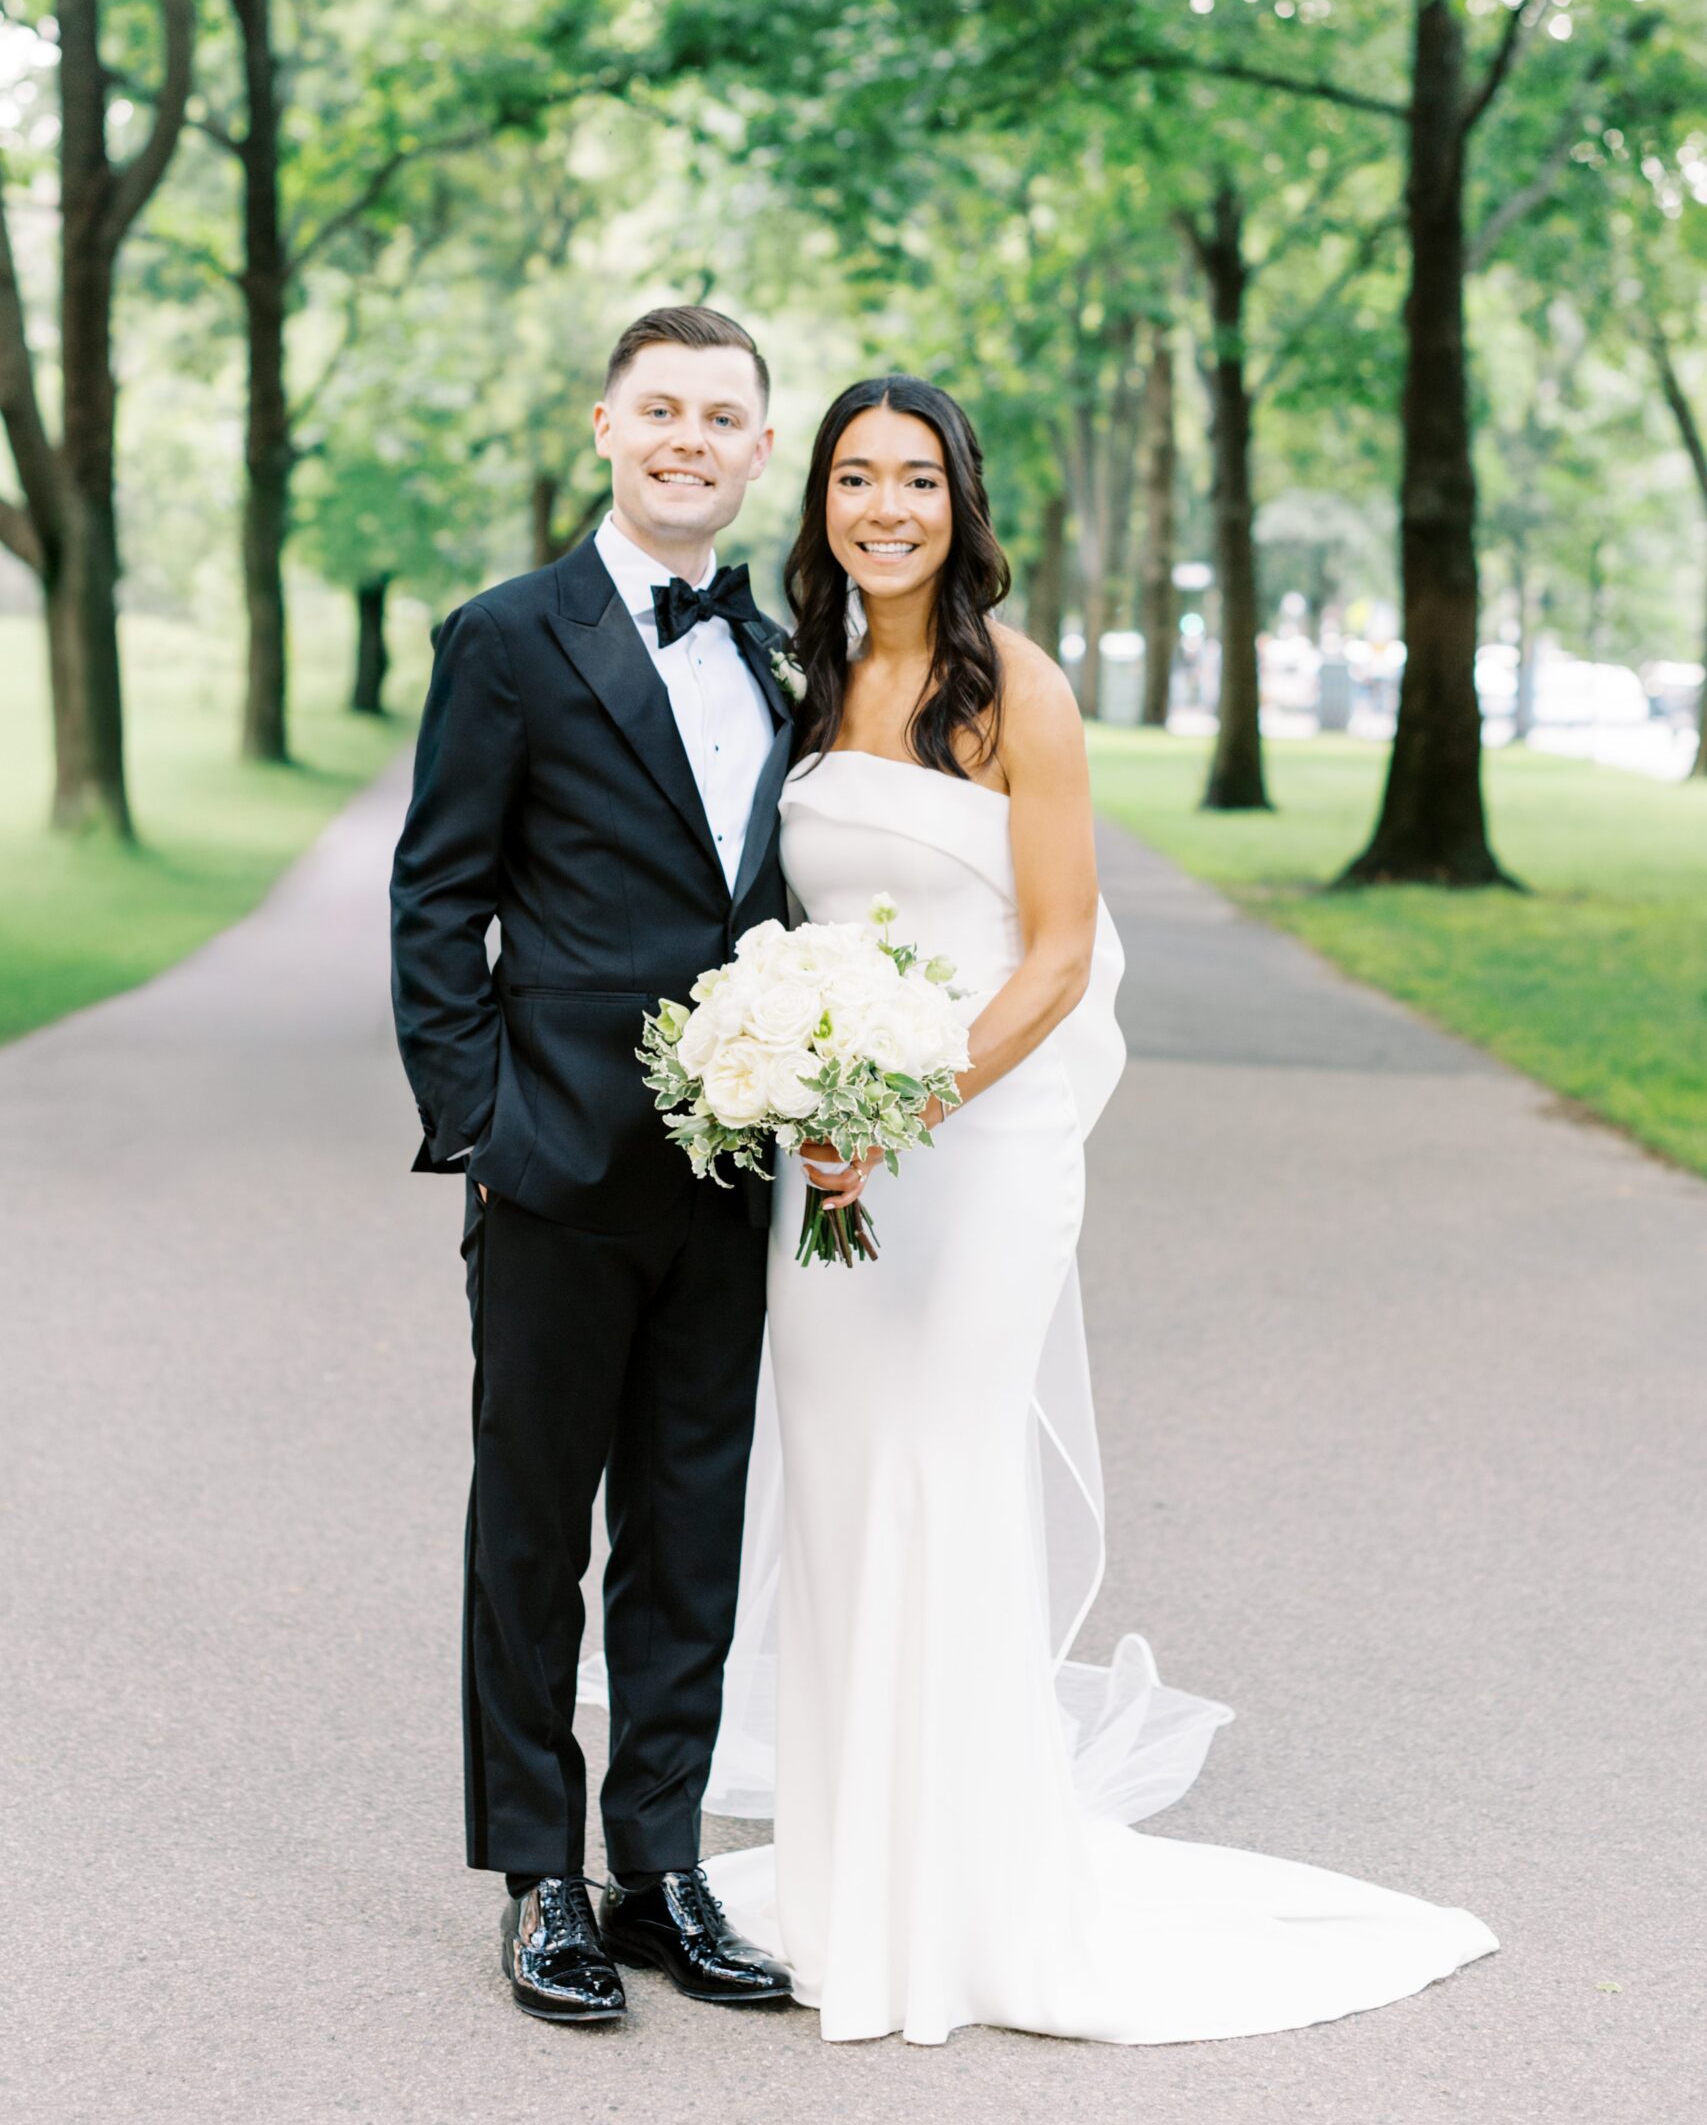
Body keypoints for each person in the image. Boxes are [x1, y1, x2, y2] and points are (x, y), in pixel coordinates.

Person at [695, 373, 1499, 2045]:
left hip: (974, 1160)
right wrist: (804, 1096)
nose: (886, 508)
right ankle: (856, 1879)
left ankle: (968, 1899)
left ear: (962, 503)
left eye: (918, 479)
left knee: (945, 1469)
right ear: (821, 504)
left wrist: (902, 1105)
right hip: (829, 1175)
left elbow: (1056, 955)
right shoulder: (820, 681)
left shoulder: (1019, 693)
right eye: (856, 479)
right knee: (843, 1485)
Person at [389, 305, 799, 2024]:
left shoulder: (789, 655)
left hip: (737, 1164)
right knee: (533, 1527)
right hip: (558, 1160)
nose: (690, 438)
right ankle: (537, 1873)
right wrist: (485, 1119)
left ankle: (664, 1867)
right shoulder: (508, 637)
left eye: (722, 415)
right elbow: (437, 898)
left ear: (758, 451)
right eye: (662, 411)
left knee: (691, 1531)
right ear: (608, 429)